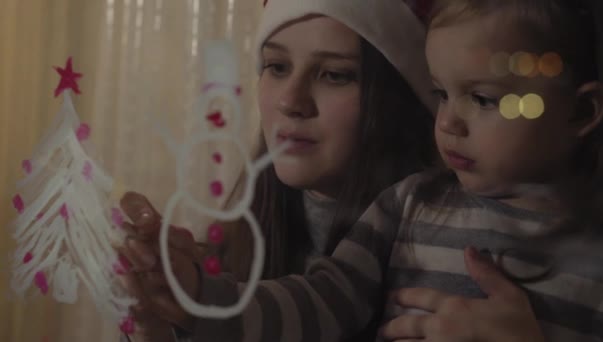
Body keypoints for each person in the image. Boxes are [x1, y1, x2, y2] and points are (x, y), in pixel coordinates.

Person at [118, 0, 436, 340]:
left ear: (399, 96)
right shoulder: (221, 256)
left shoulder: (446, 254)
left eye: (334, 74)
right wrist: (154, 324)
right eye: (277, 66)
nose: (290, 100)